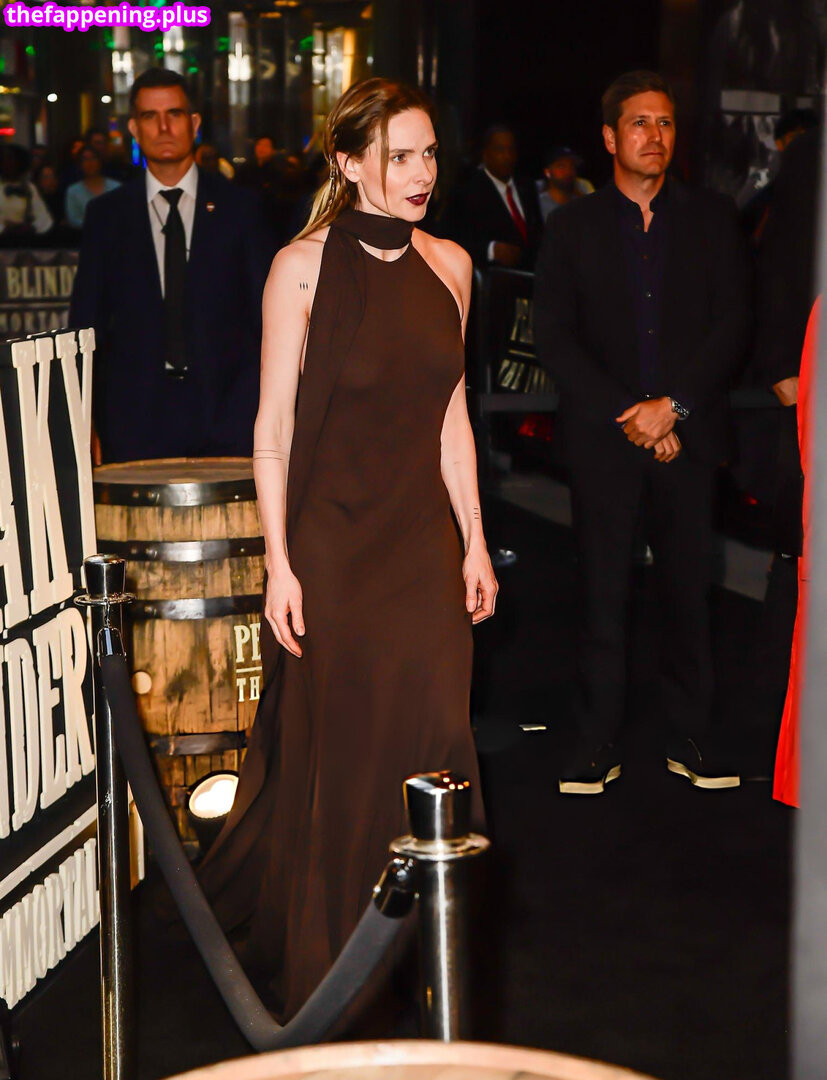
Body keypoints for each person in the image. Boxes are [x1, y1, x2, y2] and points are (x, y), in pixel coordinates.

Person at [198, 76, 496, 1020]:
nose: (420, 173)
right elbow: (273, 429)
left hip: (420, 547)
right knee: (346, 754)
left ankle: (425, 956)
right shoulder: (299, 267)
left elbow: (452, 417)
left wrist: (474, 542)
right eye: (398, 156)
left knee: (435, 738)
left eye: (429, 153)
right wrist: (279, 563)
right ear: (349, 162)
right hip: (331, 548)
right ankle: (331, 967)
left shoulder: (452, 265)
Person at [534, 70, 750, 794]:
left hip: (689, 437)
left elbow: (732, 325)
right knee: (602, 596)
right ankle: (596, 742)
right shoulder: (571, 226)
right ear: (608, 137)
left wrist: (674, 408)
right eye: (638, 123)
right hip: (606, 441)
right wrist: (633, 414)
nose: (654, 135)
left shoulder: (713, 218)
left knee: (690, 594)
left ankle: (692, 737)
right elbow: (555, 337)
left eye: (664, 123)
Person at [69, 67, 275, 463]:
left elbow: (267, 319)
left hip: (230, 415)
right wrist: (83, 415)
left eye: (174, 114)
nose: (163, 127)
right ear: (134, 128)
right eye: (150, 116)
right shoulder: (106, 216)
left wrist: (266, 410)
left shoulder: (241, 209)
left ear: (194, 123)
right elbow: (86, 320)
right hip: (133, 420)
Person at [451, 124, 542, 269]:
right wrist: (491, 250)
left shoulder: (527, 187)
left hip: (532, 273)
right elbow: (452, 240)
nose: (507, 156)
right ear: (485, 154)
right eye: (500, 150)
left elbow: (538, 233)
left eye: (511, 150)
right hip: (493, 275)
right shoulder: (467, 192)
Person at [0, 144, 53, 242]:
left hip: (25, 242)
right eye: (4, 159)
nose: (8, 163)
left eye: (11, 159)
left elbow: (43, 218)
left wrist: (31, 228)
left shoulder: (29, 188)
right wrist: (5, 229)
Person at [64, 145, 121, 229]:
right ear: (80, 164)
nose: (90, 163)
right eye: (85, 159)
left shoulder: (116, 187)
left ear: (99, 162)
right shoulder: (73, 191)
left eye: (93, 158)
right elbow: (73, 220)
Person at [537, 146, 594, 221]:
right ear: (547, 172)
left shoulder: (582, 194)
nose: (568, 171)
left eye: (572, 166)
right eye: (561, 166)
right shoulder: (538, 205)